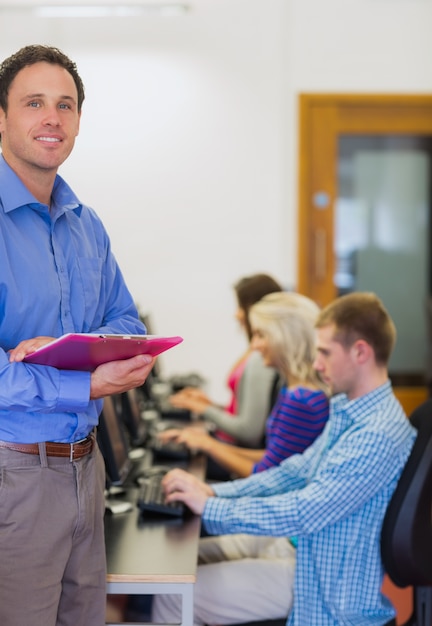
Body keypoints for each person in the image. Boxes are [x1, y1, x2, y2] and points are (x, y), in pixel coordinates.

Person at [0, 44, 156, 626]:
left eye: (65, 105)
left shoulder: (86, 225)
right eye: (34, 103)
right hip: (13, 474)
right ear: (2, 117)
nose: (52, 119)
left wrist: (68, 350)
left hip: (84, 470)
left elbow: (126, 323)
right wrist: (83, 382)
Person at [153, 292, 417, 626]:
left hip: (325, 589)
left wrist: (211, 508)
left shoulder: (377, 433)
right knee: (177, 565)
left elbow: (304, 511)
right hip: (305, 551)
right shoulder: (348, 411)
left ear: (360, 352)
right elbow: (294, 471)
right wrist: (216, 493)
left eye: (324, 352)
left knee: (173, 593)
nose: (316, 364)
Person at [158, 291, 329, 479]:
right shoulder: (291, 387)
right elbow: (273, 458)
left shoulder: (301, 399)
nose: (254, 345)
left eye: (260, 335)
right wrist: (205, 441)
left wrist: (209, 445)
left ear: (285, 337)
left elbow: (268, 474)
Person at [169, 274, 283, 451]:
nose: (236, 314)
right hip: (230, 446)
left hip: (235, 451)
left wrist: (205, 410)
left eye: (241, 306)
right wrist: (211, 405)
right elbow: (245, 414)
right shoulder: (254, 352)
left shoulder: (261, 359)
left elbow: (249, 431)